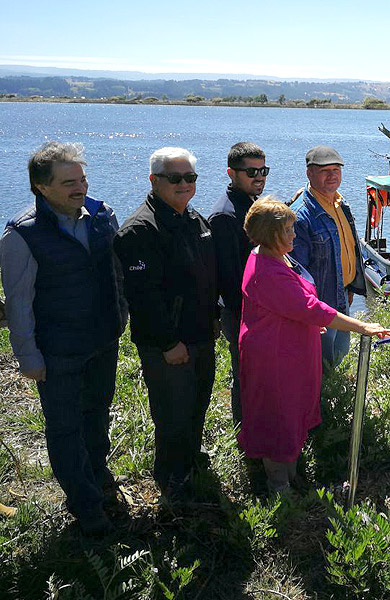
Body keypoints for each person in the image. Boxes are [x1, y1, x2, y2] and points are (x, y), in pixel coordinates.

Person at [0, 141, 127, 535]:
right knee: (65, 428)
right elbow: (18, 301)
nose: (81, 187)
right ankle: (86, 507)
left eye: (83, 178)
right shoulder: (21, 235)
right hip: (57, 350)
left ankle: (98, 476)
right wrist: (28, 356)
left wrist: (121, 317)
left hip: (103, 340)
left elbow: (118, 274)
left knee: (96, 416)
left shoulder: (103, 216)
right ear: (42, 187)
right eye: (69, 182)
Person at [238, 198, 390, 495]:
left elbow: (293, 308)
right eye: (288, 231)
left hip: (290, 349)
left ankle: (293, 477)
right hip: (275, 357)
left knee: (292, 412)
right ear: (271, 234)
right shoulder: (267, 270)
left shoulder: (274, 256)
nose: (295, 236)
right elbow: (311, 307)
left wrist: (304, 322)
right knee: (278, 416)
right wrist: (362, 326)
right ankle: (279, 488)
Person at [114, 147, 218, 501]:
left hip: (201, 336)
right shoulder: (140, 230)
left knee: (196, 406)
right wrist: (167, 342)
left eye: (190, 177)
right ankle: (173, 483)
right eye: (175, 178)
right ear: (154, 180)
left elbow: (208, 277)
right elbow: (143, 297)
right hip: (170, 345)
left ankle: (190, 463)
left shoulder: (194, 220)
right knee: (172, 414)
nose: (184, 184)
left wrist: (214, 318)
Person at [289, 146, 366, 369]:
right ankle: (319, 401)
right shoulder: (301, 215)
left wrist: (350, 286)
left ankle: (332, 399)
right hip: (320, 302)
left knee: (338, 355)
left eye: (336, 169)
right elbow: (297, 271)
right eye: (325, 170)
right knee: (318, 362)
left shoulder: (341, 204)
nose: (332, 175)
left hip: (341, 293)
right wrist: (309, 313)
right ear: (309, 173)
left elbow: (347, 248)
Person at [209, 142, 268, 425]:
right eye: (251, 172)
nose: (259, 177)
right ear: (231, 173)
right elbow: (229, 279)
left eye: (263, 170)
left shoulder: (250, 204)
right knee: (245, 379)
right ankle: (246, 438)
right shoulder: (225, 215)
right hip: (243, 314)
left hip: (260, 311)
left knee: (261, 379)